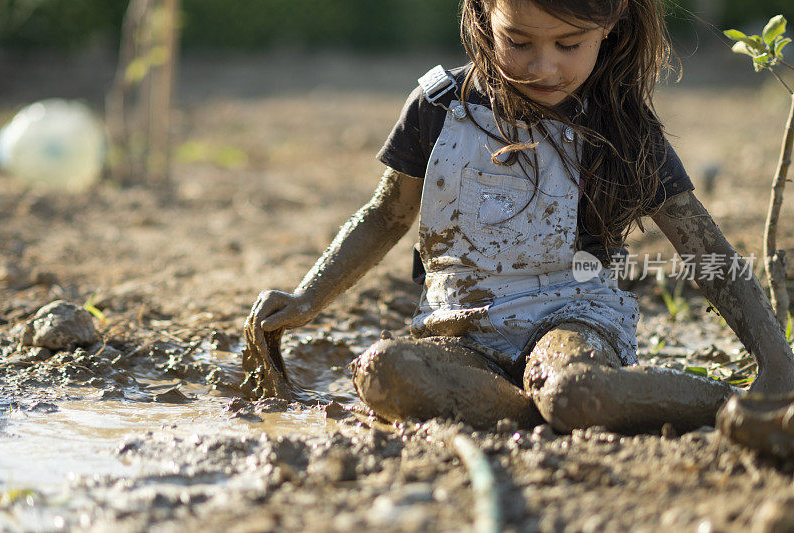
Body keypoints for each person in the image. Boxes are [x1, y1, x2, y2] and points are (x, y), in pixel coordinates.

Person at [245, 0, 794, 433]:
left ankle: (734, 408)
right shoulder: (438, 107)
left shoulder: (619, 125)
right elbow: (387, 216)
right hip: (460, 330)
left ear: (612, 22)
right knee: (384, 371)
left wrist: (774, 359)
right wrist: (306, 298)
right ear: (486, 12)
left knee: (572, 388)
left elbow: (700, 243)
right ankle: (549, 411)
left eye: (569, 43)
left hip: (574, 321)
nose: (543, 66)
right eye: (519, 41)